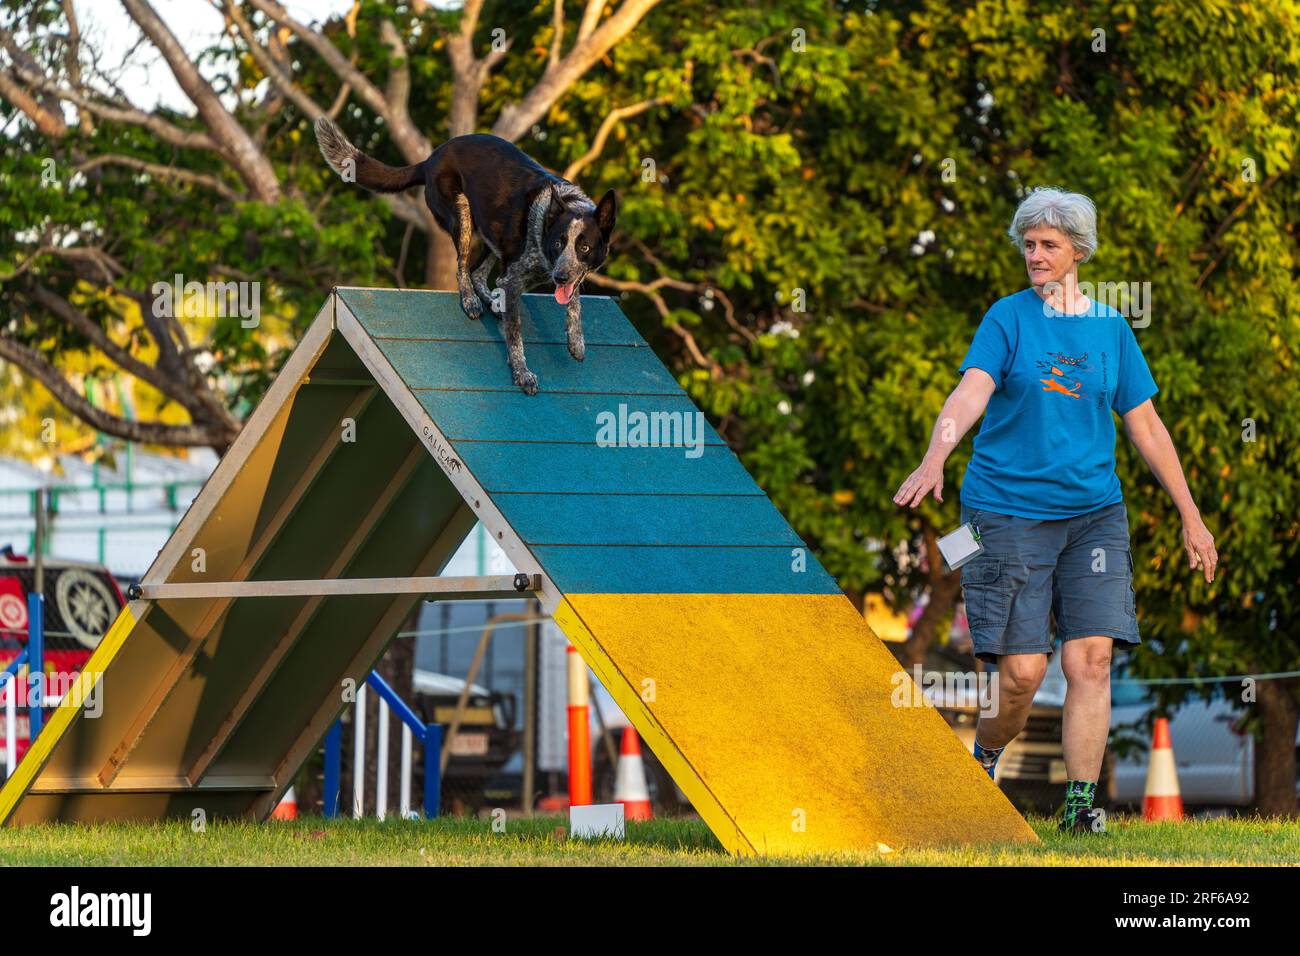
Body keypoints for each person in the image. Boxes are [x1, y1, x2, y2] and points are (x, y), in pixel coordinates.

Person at [892, 186, 1218, 833]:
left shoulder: (1111, 329)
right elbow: (969, 393)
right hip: (1005, 511)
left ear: (1078, 250)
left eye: (1048, 245)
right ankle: (985, 757)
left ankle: (1079, 808)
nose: (1034, 255)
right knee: (1020, 673)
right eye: (1028, 244)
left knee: (1090, 659)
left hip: (1093, 513)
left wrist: (1190, 513)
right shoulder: (1006, 320)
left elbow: (1145, 425)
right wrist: (936, 455)